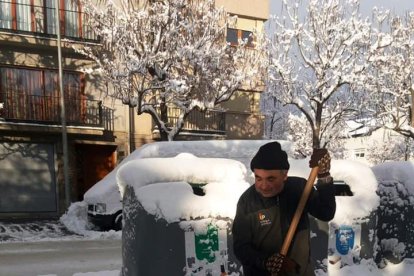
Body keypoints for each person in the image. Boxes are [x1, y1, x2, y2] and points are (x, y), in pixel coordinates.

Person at [232, 141, 336, 276]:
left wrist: (323, 175)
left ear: (285, 175)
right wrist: (267, 262)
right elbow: (241, 247)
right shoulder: (248, 201)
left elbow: (326, 212)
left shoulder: (299, 189)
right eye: (258, 178)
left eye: (270, 179)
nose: (263, 186)